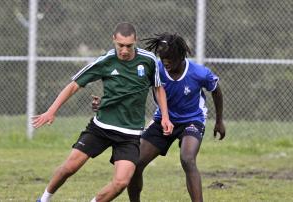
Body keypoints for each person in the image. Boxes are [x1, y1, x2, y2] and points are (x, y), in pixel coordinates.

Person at [32, 23, 173, 202]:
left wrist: (165, 117)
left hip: (129, 135)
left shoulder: (149, 60)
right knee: (69, 168)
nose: (124, 50)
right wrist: (51, 111)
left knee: (121, 182)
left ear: (135, 41)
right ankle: (43, 199)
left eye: (129, 45)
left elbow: (158, 88)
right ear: (114, 40)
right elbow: (74, 85)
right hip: (101, 128)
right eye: (120, 45)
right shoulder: (106, 61)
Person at [92, 32, 226, 202]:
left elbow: (216, 90)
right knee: (135, 163)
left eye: (170, 57)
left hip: (192, 120)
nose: (166, 61)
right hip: (163, 120)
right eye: (163, 58)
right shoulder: (155, 69)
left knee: (187, 159)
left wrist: (219, 121)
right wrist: (105, 103)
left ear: (181, 55)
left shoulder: (199, 73)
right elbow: (129, 89)